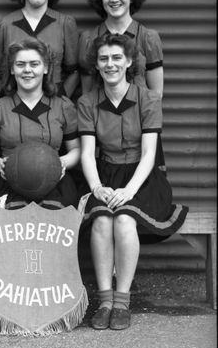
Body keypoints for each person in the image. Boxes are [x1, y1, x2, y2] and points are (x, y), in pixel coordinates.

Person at [77, 33, 188, 330]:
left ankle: (122, 301)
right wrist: (97, 187)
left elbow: (150, 153)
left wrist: (129, 190)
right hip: (106, 174)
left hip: (143, 177)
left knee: (124, 219)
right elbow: (87, 154)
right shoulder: (88, 102)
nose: (110, 64)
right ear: (96, 66)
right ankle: (104, 301)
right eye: (103, 59)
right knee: (101, 220)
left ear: (128, 62)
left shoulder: (147, 98)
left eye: (116, 58)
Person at [0, 39, 80, 211]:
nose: (27, 70)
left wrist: (60, 163)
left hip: (54, 182)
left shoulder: (63, 106)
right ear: (12, 69)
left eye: (34, 64)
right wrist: (1, 165)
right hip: (9, 182)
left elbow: (76, 150)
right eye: (20, 64)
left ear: (46, 68)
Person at [78, 0, 164, 98]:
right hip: (100, 116)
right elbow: (87, 93)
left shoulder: (148, 38)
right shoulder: (88, 39)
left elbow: (156, 94)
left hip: (139, 115)